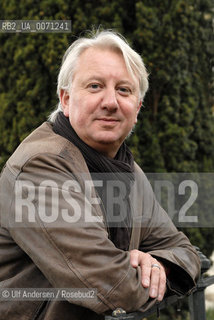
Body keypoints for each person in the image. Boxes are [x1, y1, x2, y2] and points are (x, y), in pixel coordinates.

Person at [0, 30, 200, 320]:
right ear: (66, 99)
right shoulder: (41, 167)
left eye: (124, 90)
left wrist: (160, 266)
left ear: (137, 108)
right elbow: (112, 287)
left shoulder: (128, 171)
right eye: (95, 86)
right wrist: (143, 273)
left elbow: (183, 250)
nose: (110, 102)